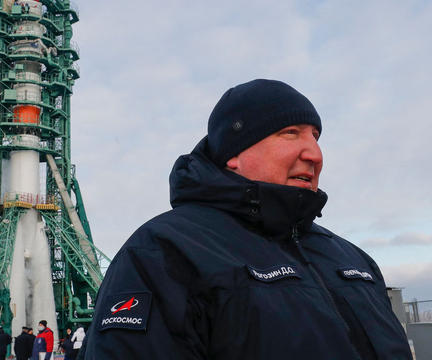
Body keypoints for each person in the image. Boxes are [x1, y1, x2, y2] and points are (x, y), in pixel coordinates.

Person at [79, 79, 412, 359]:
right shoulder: (163, 252)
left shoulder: (353, 259)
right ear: (234, 153)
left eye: (316, 136)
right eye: (291, 133)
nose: (315, 154)